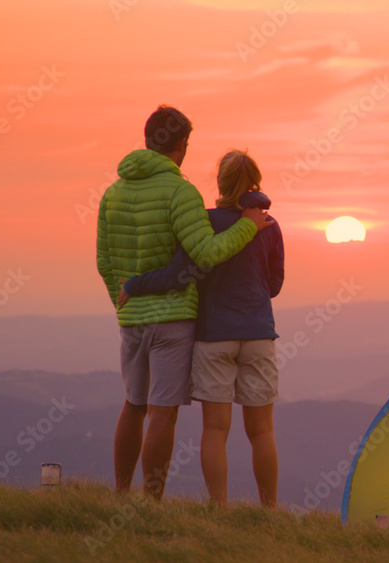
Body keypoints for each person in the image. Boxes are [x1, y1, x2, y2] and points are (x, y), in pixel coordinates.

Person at [96, 107, 274, 501]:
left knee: (133, 404)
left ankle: (122, 494)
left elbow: (104, 261)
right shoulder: (180, 192)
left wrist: (122, 304)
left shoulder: (113, 193)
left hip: (131, 318)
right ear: (180, 144)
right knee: (163, 410)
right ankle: (151, 502)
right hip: (174, 318)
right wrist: (248, 225)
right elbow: (206, 254)